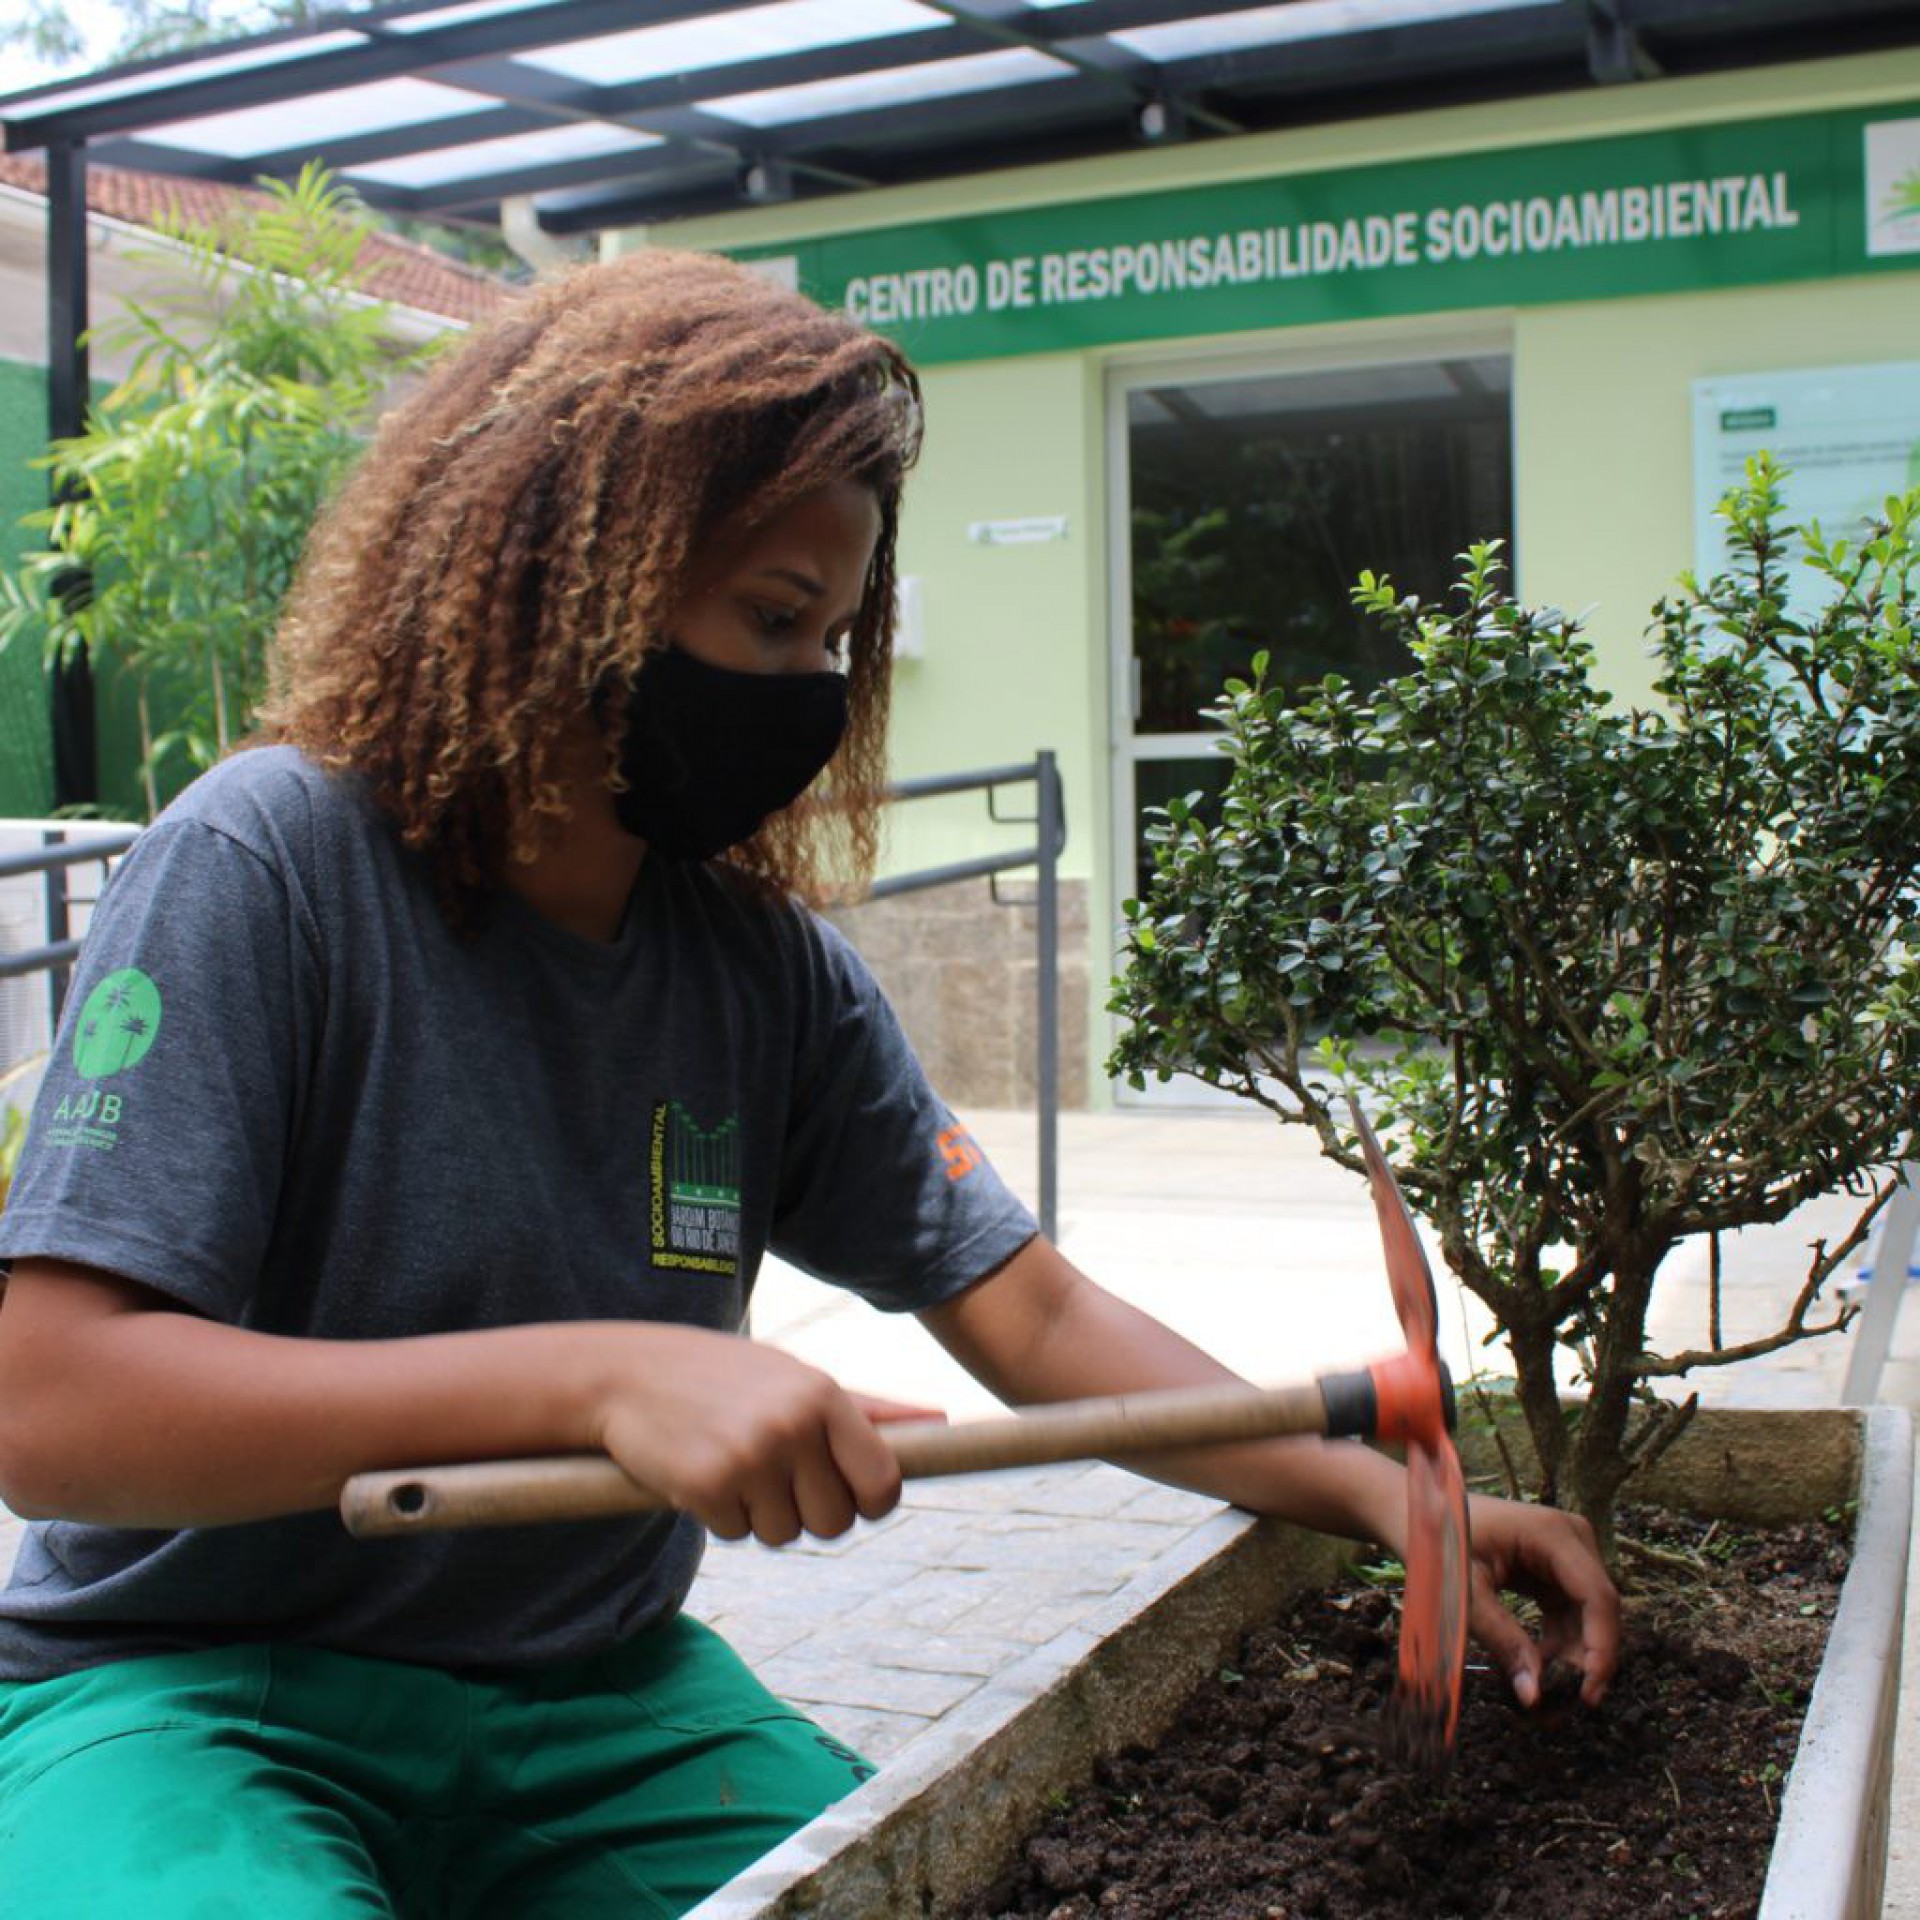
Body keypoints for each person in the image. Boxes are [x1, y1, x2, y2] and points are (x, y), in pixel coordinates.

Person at [0, 250, 1618, 1917]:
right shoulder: (269, 866)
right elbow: (51, 1410)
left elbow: (1038, 1322)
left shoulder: (763, 975)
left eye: (837, 638)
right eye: (774, 620)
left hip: (597, 1700)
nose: (812, 694)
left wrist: (1390, 1497)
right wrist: (601, 1379)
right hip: (185, 1691)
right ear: (569, 571)